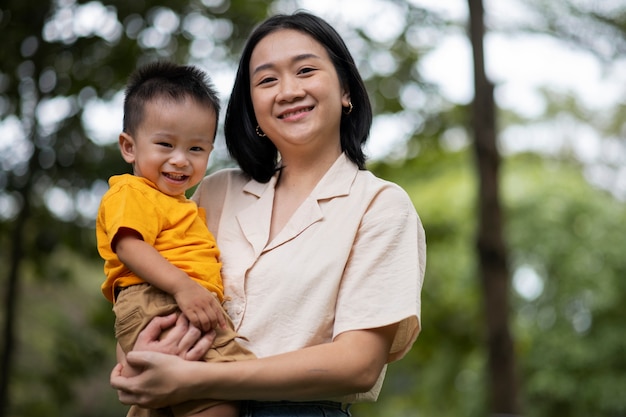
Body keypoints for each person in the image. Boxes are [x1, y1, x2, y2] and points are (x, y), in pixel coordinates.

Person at [110, 12, 426, 417]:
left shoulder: (380, 205)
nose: (288, 90)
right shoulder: (215, 192)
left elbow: (359, 364)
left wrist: (198, 379)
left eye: (306, 70)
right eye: (267, 80)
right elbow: (141, 292)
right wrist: (139, 355)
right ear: (253, 108)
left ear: (345, 89)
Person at [96, 61, 255, 417]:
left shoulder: (180, 205)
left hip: (178, 300)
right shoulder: (130, 192)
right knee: (219, 393)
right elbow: (129, 246)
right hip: (161, 297)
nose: (180, 160)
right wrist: (184, 287)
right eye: (165, 144)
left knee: (173, 398)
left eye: (196, 149)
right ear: (129, 147)